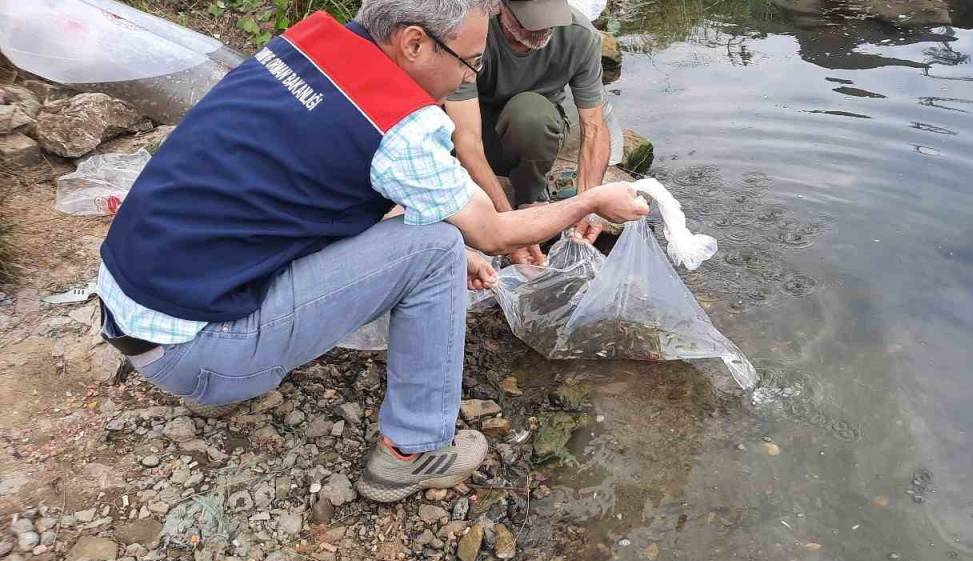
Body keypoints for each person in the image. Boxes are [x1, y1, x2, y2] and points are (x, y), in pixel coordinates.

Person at [94, 0, 649, 503]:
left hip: (130, 308)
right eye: (469, 62)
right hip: (199, 351)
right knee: (436, 244)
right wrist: (592, 200)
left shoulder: (306, 47)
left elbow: (339, 185)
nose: (465, 77)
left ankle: (212, 379)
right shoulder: (401, 126)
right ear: (412, 43)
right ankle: (412, 450)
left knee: (434, 236)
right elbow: (495, 233)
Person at [444, 0, 611, 266]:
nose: (543, 28)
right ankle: (498, 204)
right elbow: (467, 141)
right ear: (499, 6)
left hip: (532, 128)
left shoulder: (580, 36)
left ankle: (529, 197)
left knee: (531, 114)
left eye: (550, 18)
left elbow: (593, 128)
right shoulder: (471, 31)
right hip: (472, 127)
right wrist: (507, 228)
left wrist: (589, 205)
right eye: (530, 21)